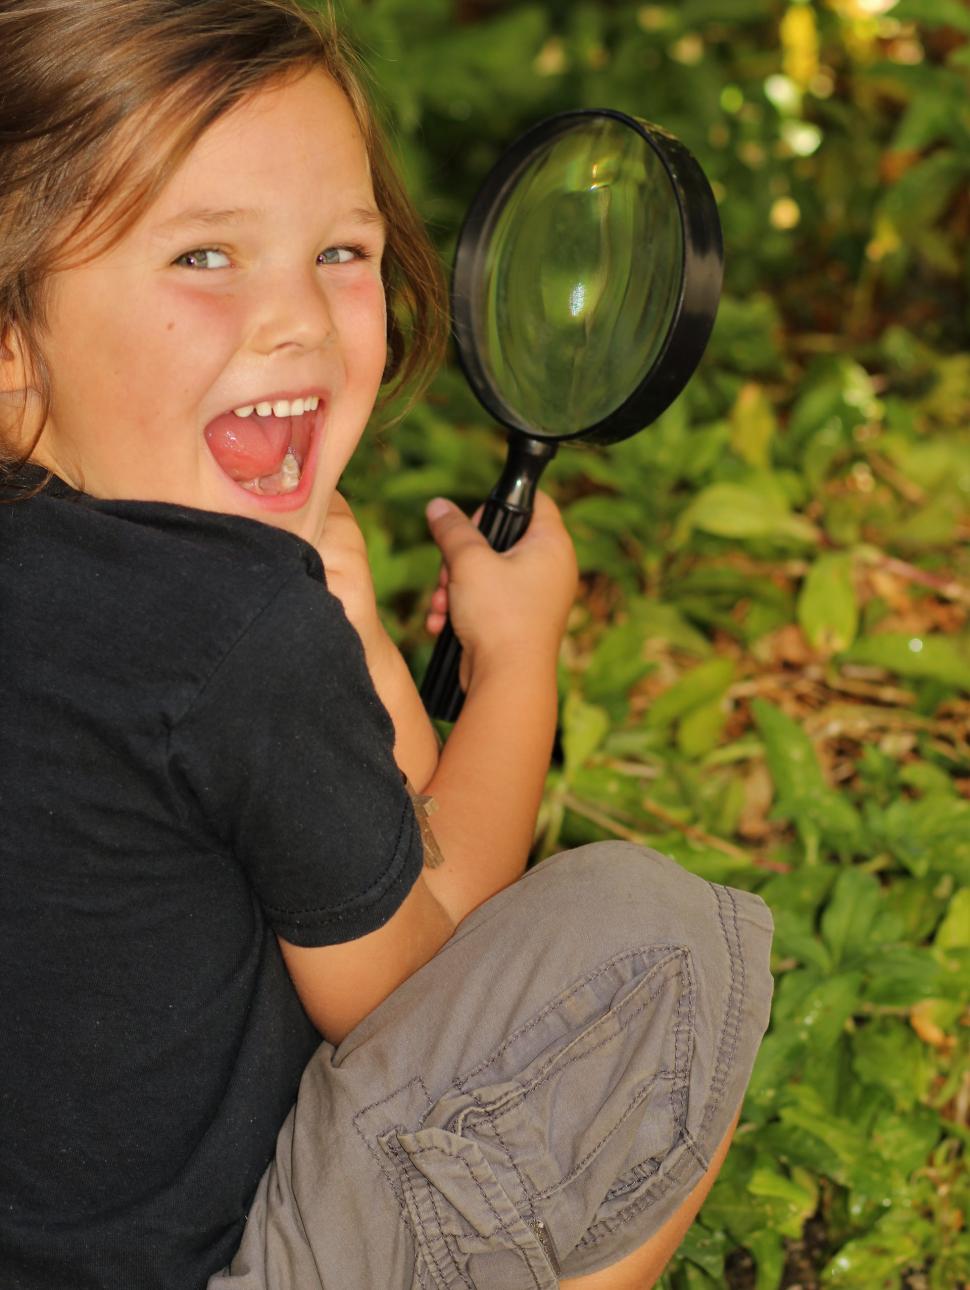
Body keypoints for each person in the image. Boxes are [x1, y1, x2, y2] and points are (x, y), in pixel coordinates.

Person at [0, 2, 774, 1287]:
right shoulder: (230, 633)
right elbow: (424, 968)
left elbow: (366, 816)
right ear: (12, 343)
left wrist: (347, 626)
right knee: (649, 940)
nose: (298, 316)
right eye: (205, 257)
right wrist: (516, 668)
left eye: (342, 250)